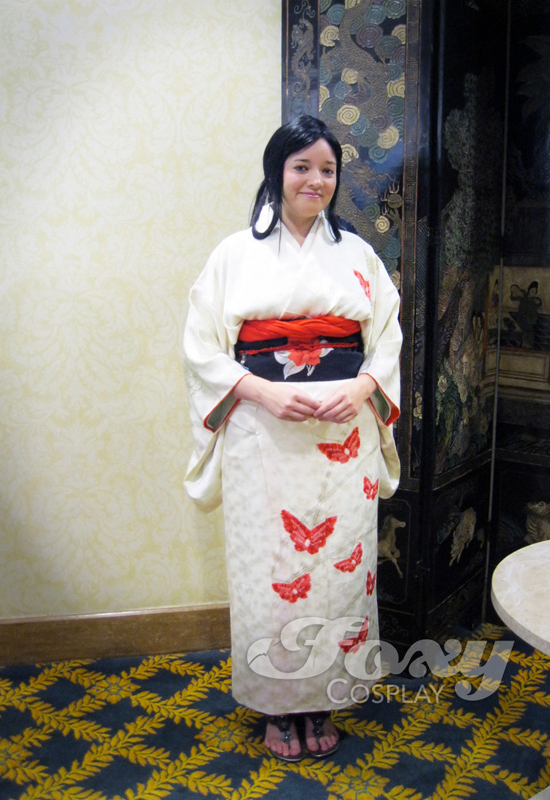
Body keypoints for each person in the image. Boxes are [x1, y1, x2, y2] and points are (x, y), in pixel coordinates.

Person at [182, 115, 402, 761]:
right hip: (264, 431)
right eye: (301, 166)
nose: (315, 179)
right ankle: (278, 707)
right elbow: (201, 349)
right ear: (276, 171)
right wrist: (262, 390)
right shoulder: (233, 255)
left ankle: (323, 697)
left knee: (340, 568)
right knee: (270, 569)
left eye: (327, 169)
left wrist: (363, 387)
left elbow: (386, 337)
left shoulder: (358, 256)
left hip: (344, 433)